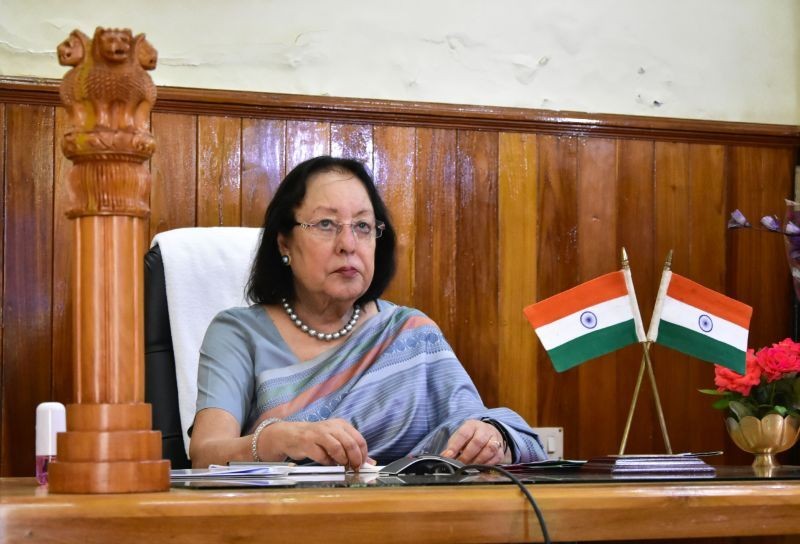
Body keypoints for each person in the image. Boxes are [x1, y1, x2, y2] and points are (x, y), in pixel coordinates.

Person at [189, 156, 547, 469]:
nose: (348, 244)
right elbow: (204, 454)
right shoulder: (238, 332)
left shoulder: (409, 332)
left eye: (362, 226)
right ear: (284, 242)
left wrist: (487, 438)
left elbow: (469, 424)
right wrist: (279, 440)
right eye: (326, 224)